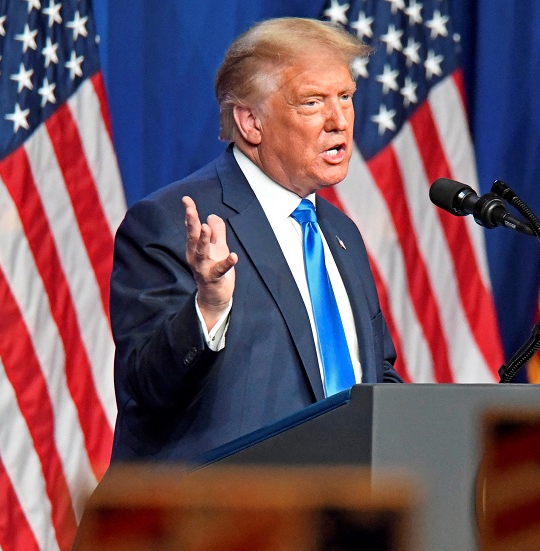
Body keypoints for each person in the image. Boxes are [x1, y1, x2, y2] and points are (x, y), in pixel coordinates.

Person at [109, 17, 402, 464]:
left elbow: (374, 375)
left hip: (335, 516)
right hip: (216, 520)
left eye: (345, 97)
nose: (339, 120)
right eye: (312, 102)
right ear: (250, 122)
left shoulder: (341, 234)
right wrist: (208, 307)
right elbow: (147, 388)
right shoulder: (171, 223)